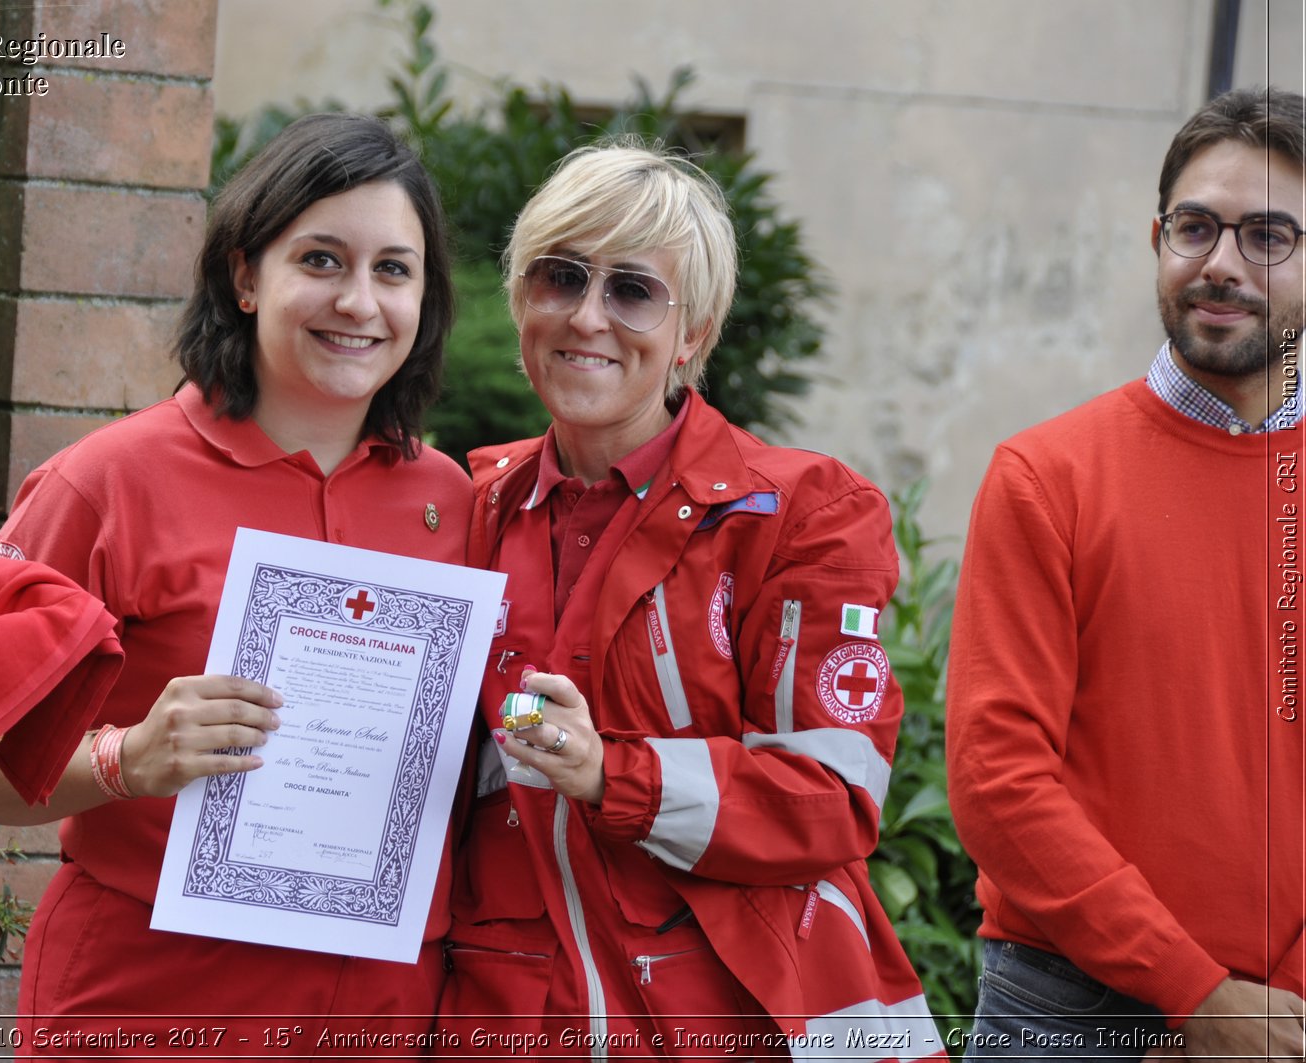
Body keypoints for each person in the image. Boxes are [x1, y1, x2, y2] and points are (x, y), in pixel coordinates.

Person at [0, 113, 472, 1055]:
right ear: (245, 274)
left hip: (377, 1005)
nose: (360, 300)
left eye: (394, 269)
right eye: (321, 259)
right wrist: (127, 758)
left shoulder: (453, 500)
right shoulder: (106, 483)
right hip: (151, 996)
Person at [440, 140, 943, 1061]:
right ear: (521, 300)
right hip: (507, 1015)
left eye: (632, 290)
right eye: (560, 278)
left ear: (694, 336)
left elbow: (831, 799)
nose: (588, 316)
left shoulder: (805, 513)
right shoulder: (470, 506)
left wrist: (612, 775)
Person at [946, 86, 1306, 1061]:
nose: (1220, 263)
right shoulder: (1045, 478)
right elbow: (996, 780)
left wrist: (1273, 1017)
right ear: (1157, 238)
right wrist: (1196, 993)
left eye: (1267, 236)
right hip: (1066, 1015)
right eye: (1196, 226)